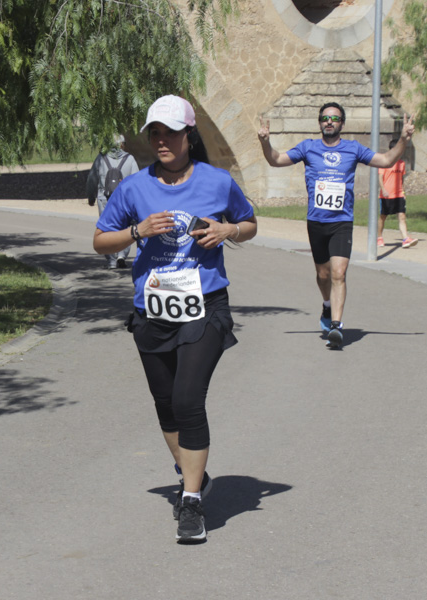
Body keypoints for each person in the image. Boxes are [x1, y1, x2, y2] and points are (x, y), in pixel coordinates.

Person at [93, 94, 257, 543]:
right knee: (165, 404)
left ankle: (190, 503)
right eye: (155, 133)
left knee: (187, 400)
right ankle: (193, 473)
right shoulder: (134, 188)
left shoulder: (217, 182)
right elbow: (99, 241)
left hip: (204, 306)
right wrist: (136, 232)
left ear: (189, 135)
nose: (161, 140)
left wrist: (229, 230)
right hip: (153, 311)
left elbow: (249, 223)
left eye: (170, 132)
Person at [257, 103, 415, 349]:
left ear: (342, 123)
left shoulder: (353, 149)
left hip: (341, 222)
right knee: (323, 275)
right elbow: (276, 160)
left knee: (339, 273)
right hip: (316, 222)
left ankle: (336, 326)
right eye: (325, 118)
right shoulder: (308, 148)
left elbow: (385, 160)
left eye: (335, 118)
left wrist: (404, 140)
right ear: (319, 122)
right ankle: (327, 306)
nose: (329, 121)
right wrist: (265, 142)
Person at [86, 134, 140, 268]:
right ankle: (122, 255)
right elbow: (136, 181)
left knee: (106, 228)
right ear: (122, 144)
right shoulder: (130, 159)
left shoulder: (101, 158)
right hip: (124, 200)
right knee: (125, 227)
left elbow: (92, 179)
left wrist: (90, 196)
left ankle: (111, 261)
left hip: (104, 198)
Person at [378, 139, 417, 250]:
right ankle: (379, 237)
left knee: (402, 217)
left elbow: (401, 180)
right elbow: (380, 177)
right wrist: (383, 189)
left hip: (399, 194)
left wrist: (403, 192)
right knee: (383, 217)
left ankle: (405, 239)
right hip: (386, 195)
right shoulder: (385, 162)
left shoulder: (402, 164)